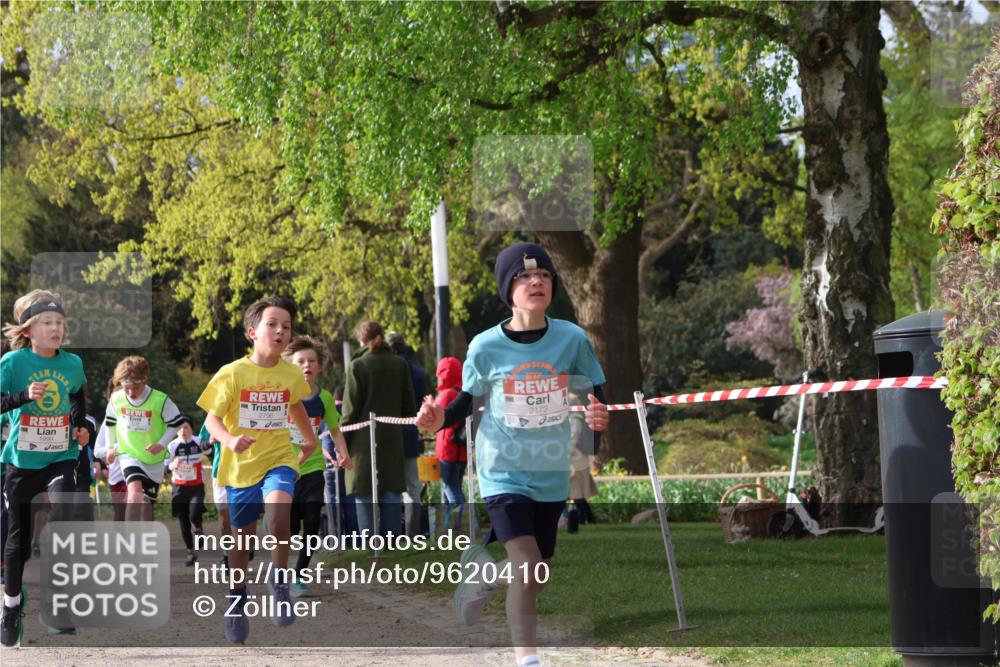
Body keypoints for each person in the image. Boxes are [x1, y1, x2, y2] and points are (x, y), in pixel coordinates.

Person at [416, 243, 609, 667]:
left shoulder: (572, 338)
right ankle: (528, 659)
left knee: (538, 573)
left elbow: (594, 387)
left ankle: (485, 576)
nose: (535, 281)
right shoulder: (486, 347)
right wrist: (437, 420)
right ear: (508, 290)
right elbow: (464, 405)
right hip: (502, 469)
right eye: (523, 277)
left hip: (550, 469)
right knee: (527, 565)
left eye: (543, 275)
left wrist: (598, 415)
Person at [198, 296, 323, 643]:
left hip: (279, 458)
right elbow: (211, 419)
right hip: (241, 467)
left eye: (286, 326)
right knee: (243, 540)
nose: (281, 331)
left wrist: (310, 441)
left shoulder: (290, 373)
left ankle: (279, 583)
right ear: (253, 332)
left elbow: (295, 404)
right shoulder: (233, 373)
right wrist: (229, 438)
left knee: (281, 517)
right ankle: (237, 597)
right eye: (273, 324)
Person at [1, 290, 90, 646]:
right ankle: (10, 606)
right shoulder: (12, 364)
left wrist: (80, 425)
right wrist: (24, 397)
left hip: (61, 454)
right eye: (47, 323)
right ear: (28, 331)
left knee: (64, 513)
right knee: (17, 542)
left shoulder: (72, 364)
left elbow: (75, 399)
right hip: (22, 460)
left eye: (60, 324)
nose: (56, 329)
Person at [282, 336, 351, 597]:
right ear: (290, 366)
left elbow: (335, 431)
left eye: (312, 361)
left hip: (312, 468)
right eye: (301, 361)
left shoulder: (322, 398)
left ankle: (298, 576)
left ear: (320, 367)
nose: (307, 365)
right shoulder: (282, 395)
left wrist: (344, 454)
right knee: (288, 527)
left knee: (311, 523)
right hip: (285, 468)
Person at [342, 320, 415, 548]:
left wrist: (341, 443)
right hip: (393, 437)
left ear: (361, 340)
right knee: (391, 490)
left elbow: (349, 411)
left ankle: (370, 546)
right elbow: (409, 407)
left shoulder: (357, 366)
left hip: (361, 441)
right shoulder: (400, 364)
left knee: (365, 493)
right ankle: (392, 544)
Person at [104, 356, 183, 522]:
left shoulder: (160, 400)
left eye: (136, 387)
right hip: (129, 454)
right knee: (134, 493)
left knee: (147, 504)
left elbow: (176, 424)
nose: (131, 392)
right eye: (127, 388)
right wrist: (110, 447)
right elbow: (110, 424)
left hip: (153, 460)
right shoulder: (116, 399)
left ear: (145, 380)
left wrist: (161, 444)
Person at [387, 331, 428, 538]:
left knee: (392, 487)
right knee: (413, 487)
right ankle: (413, 533)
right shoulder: (418, 372)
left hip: (390, 431)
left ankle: (393, 534)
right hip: (412, 431)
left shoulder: (389, 370)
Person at [167, 415, 211, 566]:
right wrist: (173, 464)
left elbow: (208, 448)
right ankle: (190, 551)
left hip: (196, 487)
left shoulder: (198, 441)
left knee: (195, 512)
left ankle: (198, 528)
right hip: (179, 488)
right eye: (179, 428)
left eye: (186, 427)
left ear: (191, 428)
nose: (183, 431)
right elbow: (165, 466)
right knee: (183, 520)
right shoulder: (172, 446)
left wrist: (211, 441)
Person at [434, 356, 467, 533]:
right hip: (462, 450)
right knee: (456, 486)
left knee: (450, 487)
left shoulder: (446, 395)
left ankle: (457, 525)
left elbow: (436, 420)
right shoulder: (464, 392)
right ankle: (451, 525)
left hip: (448, 449)